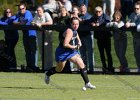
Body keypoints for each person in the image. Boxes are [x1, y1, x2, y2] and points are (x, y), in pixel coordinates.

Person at [44, 17, 96, 90]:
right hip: (62, 52)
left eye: (77, 24)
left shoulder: (74, 30)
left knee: (81, 64)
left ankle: (87, 83)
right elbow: (65, 44)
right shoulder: (69, 31)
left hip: (71, 52)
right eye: (74, 24)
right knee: (59, 69)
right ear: (71, 24)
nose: (76, 26)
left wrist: (79, 41)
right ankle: (47, 74)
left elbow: (76, 34)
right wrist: (74, 47)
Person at [87, 6, 114, 73]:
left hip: (106, 37)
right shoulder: (94, 17)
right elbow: (88, 21)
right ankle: (104, 67)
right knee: (101, 54)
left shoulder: (105, 16)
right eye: (96, 11)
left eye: (99, 11)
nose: (98, 13)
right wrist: (91, 23)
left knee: (108, 53)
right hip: (99, 38)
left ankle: (110, 68)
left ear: (102, 11)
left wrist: (98, 24)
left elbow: (107, 21)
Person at [14, 3, 39, 72]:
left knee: (33, 51)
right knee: (27, 51)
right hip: (25, 35)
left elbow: (25, 21)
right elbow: (14, 22)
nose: (21, 10)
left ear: (25, 8)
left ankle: (34, 66)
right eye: (20, 9)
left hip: (31, 35)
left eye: (23, 8)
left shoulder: (28, 13)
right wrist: (19, 23)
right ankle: (29, 66)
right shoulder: (18, 14)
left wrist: (18, 23)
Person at [32, 6, 53, 71]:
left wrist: (41, 24)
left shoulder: (46, 14)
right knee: (42, 51)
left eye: (40, 10)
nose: (39, 12)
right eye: (38, 10)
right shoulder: (36, 15)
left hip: (47, 37)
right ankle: (44, 67)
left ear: (43, 10)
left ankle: (49, 68)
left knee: (48, 52)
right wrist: (35, 24)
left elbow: (50, 22)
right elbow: (33, 22)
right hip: (40, 37)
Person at [78, 4, 95, 73]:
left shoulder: (89, 16)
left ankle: (91, 69)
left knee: (90, 54)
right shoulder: (78, 16)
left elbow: (84, 22)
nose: (82, 10)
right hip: (80, 37)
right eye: (81, 9)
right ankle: (84, 69)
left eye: (83, 9)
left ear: (86, 9)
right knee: (82, 55)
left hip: (87, 36)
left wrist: (77, 18)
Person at [125, 2, 140, 72]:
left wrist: (130, 24)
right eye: (135, 8)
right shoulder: (132, 14)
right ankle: (139, 67)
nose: (136, 9)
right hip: (135, 37)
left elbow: (137, 24)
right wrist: (128, 22)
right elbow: (129, 20)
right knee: (136, 54)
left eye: (138, 8)